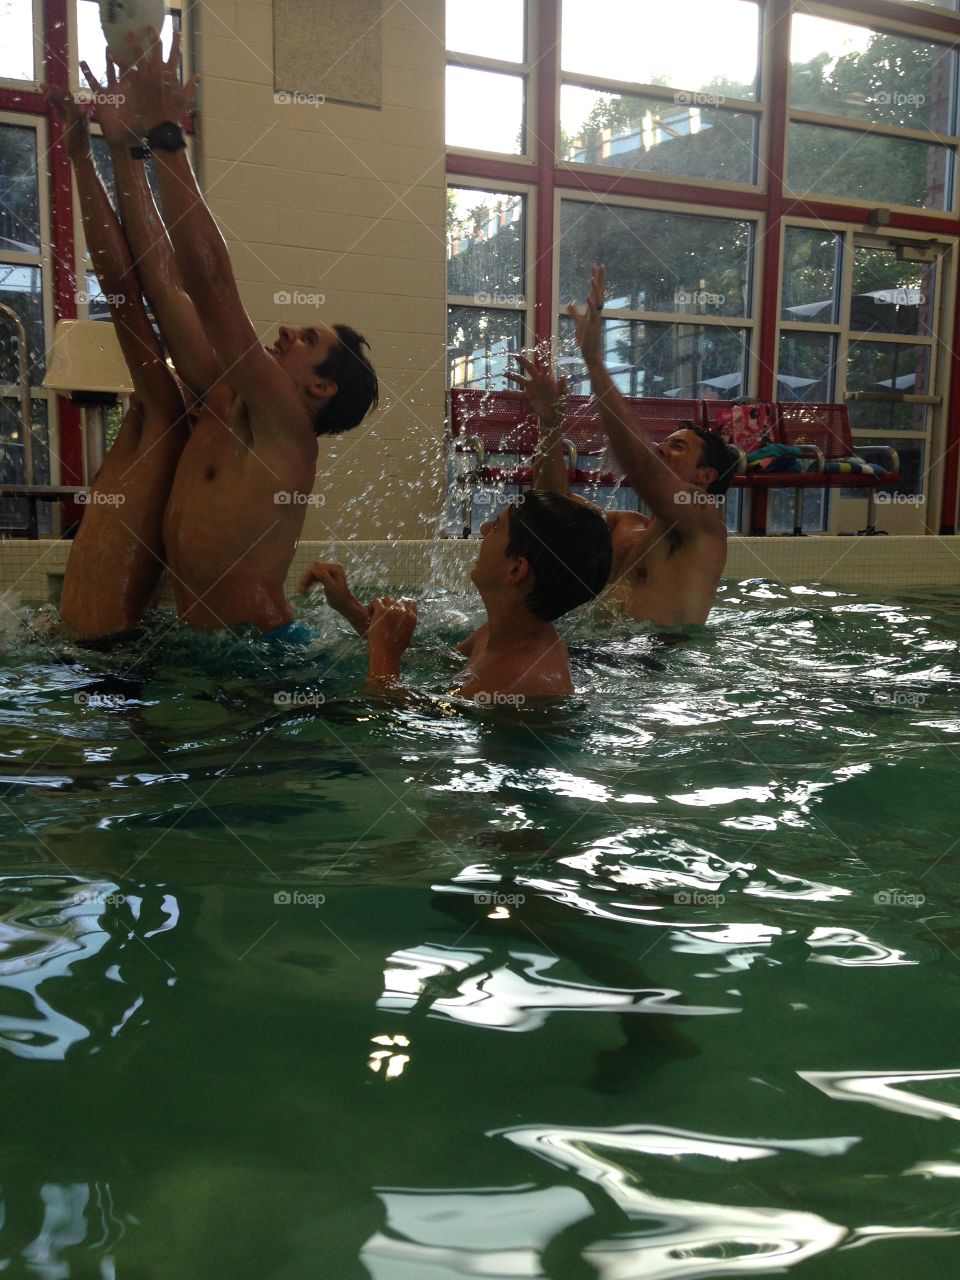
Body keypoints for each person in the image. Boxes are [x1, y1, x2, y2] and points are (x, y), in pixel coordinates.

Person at [103, 32, 378, 636]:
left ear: (321, 390)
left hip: (261, 659)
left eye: (307, 340)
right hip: (212, 653)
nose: (285, 331)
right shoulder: (229, 401)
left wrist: (167, 138)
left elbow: (213, 289)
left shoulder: (288, 429)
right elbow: (163, 284)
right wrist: (127, 151)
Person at [512, 264, 735, 628]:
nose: (661, 450)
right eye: (663, 444)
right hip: (601, 661)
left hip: (660, 666)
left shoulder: (704, 524)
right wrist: (550, 425)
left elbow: (643, 467)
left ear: (705, 475)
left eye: (678, 447)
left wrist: (595, 363)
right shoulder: (622, 530)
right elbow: (553, 509)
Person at [46, 85, 189, 643]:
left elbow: (126, 284)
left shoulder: (165, 414)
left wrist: (96, 155)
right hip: (90, 654)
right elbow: (137, 284)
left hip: (106, 664)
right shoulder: (151, 421)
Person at [299, 491, 613, 700]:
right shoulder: (503, 632)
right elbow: (432, 661)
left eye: (498, 526)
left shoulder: (516, 679)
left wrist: (385, 654)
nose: (485, 527)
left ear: (516, 571)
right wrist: (348, 606)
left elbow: (389, 721)